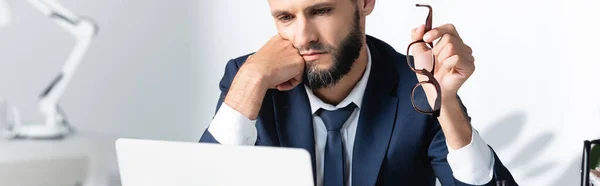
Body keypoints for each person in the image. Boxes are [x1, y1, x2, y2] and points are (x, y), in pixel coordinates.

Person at [199, 0, 517, 185]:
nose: (303, 37)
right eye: (286, 17)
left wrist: (445, 103)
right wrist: (249, 80)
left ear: (364, 3)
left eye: (321, 10)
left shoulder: (418, 85)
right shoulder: (250, 80)